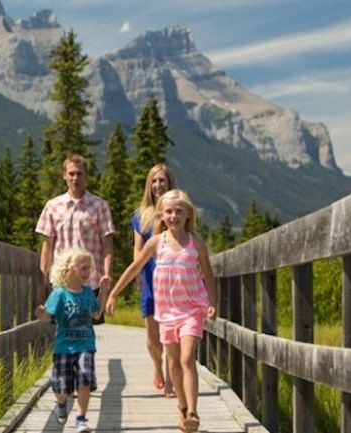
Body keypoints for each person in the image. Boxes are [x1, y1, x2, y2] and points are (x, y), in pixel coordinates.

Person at [106, 189, 217, 432]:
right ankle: (181, 406)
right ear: (161, 215)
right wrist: (114, 293)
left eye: (179, 211)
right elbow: (135, 267)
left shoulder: (196, 243)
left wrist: (212, 303)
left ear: (188, 214)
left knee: (188, 357)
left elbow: (208, 275)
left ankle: (193, 412)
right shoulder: (157, 242)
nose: (174, 215)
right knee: (174, 362)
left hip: (192, 308)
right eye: (169, 211)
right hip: (166, 311)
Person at [35, 248, 111, 433]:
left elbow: (96, 314)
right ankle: (62, 404)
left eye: (88, 268)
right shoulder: (59, 293)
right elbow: (48, 317)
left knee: (85, 379)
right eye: (83, 268)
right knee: (62, 389)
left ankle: (81, 418)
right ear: (68, 270)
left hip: (86, 345)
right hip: (64, 347)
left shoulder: (86, 293)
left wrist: (103, 292)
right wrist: (42, 314)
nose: (87, 272)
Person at [36, 154, 115, 324]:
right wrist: (42, 279)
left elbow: (107, 246)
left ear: (86, 176)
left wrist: (107, 274)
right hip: (61, 281)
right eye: (71, 174)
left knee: (86, 331)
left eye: (79, 174)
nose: (75, 178)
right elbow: (47, 247)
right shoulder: (52, 206)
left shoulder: (100, 206)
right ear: (64, 175)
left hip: (90, 282)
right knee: (62, 330)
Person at [131, 163, 177, 397]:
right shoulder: (141, 216)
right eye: (155, 181)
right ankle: (157, 366)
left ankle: (171, 379)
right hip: (150, 277)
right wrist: (138, 274)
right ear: (149, 185)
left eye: (163, 180)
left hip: (174, 280)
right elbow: (138, 250)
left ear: (170, 183)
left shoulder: (176, 210)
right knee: (152, 335)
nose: (159, 185)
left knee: (171, 331)